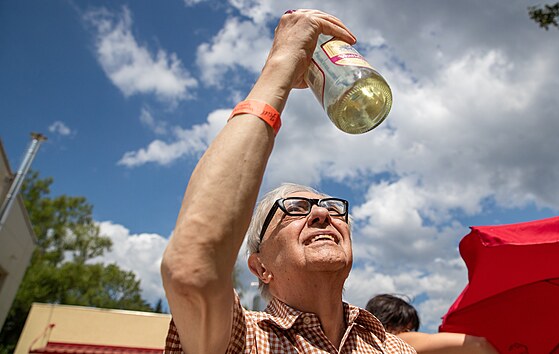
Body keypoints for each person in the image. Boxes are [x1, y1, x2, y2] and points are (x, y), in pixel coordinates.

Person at [161, 9, 417, 353]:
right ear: (260, 267)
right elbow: (191, 268)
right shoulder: (244, 338)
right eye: (295, 208)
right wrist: (281, 64)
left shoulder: (394, 349)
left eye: (332, 207)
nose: (322, 214)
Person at [366, 294, 499, 354]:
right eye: (406, 329)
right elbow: (478, 344)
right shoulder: (396, 341)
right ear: (389, 324)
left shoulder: (355, 344)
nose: (410, 334)